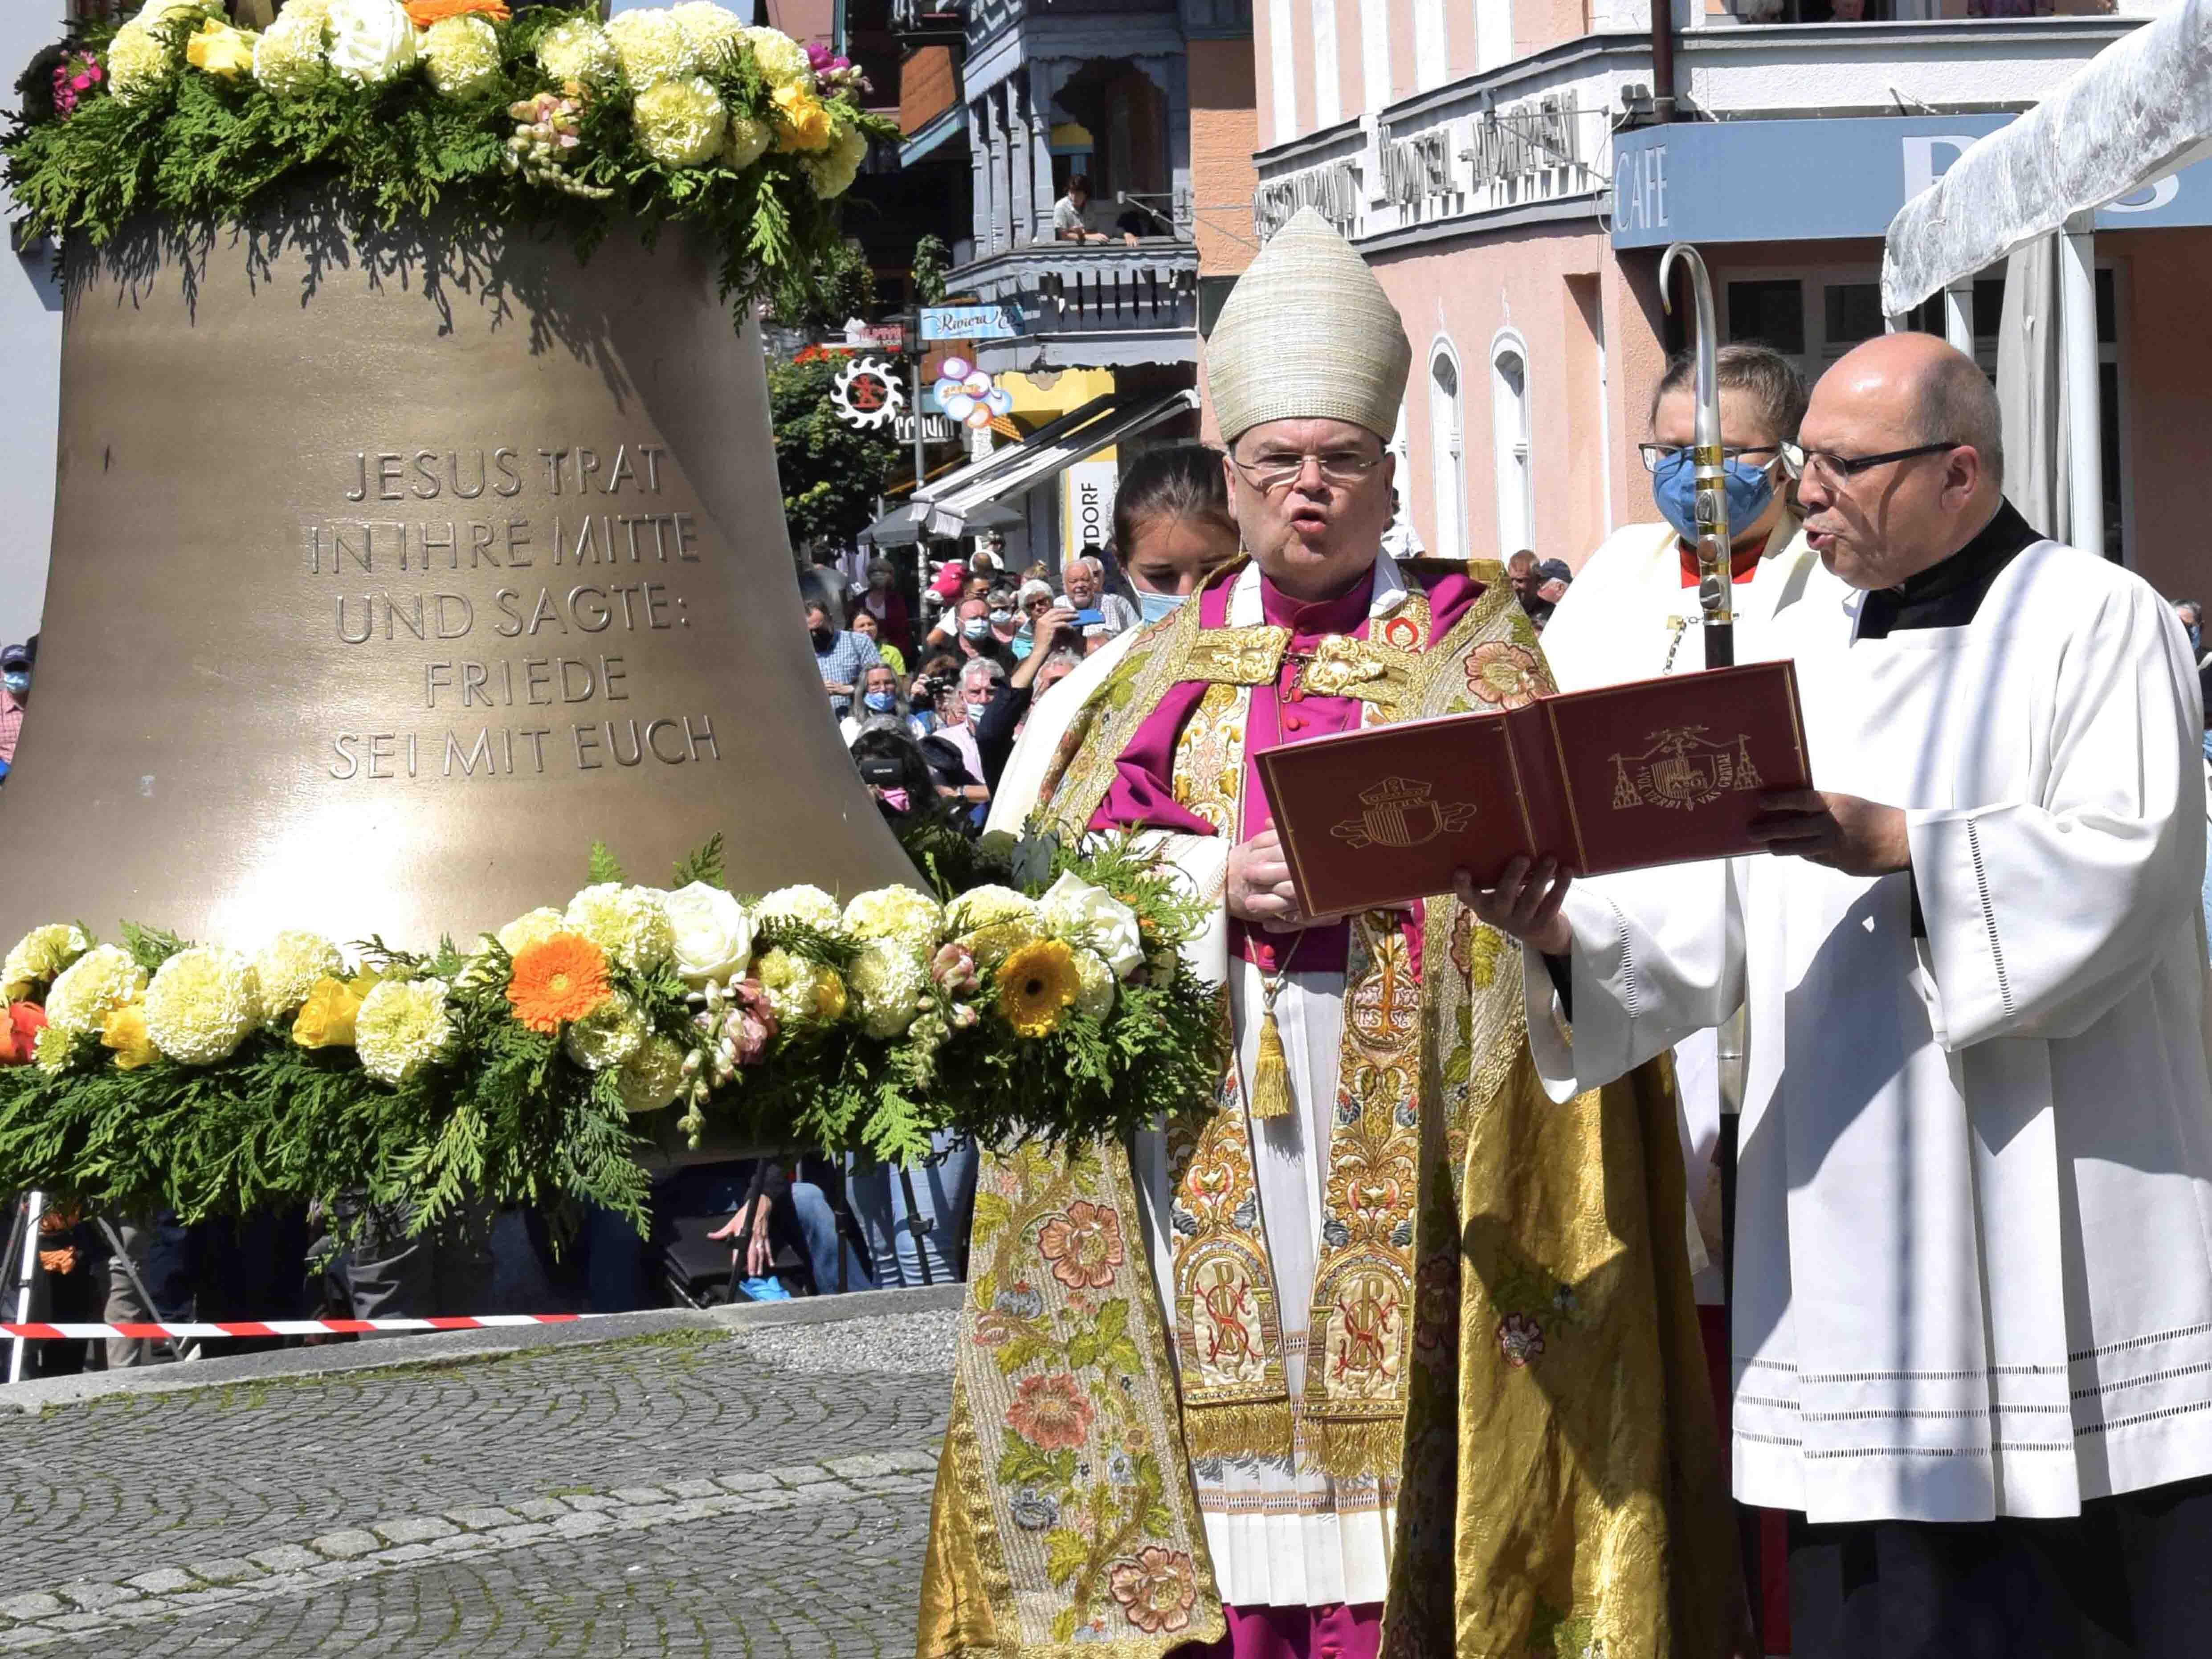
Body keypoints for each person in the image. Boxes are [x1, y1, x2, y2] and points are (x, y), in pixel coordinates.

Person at [919, 209, 1734, 1659]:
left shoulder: (1481, 658)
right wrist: (1195, 900)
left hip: (1418, 1146)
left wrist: (1548, 926)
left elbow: (1626, 912)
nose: (1308, 491)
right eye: (1276, 462)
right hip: (1201, 1123)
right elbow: (1010, 922)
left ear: (1385, 472)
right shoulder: (1121, 688)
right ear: (1227, 474)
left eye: (1338, 461)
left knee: (1403, 1486)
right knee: (1221, 1489)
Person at [1469, 333, 2212, 1659]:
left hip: (2061, 1197)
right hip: (1838, 1202)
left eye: (1840, 464)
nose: (1803, 489)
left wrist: (1908, 843)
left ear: (1958, 469)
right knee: (1877, 1601)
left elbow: (2132, 864)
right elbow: (1705, 906)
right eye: (1802, 457)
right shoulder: (1777, 641)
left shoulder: (2098, 616)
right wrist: (1563, 922)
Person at [983, 443, 1242, 836]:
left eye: (1215, 569)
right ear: (1121, 563)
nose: (1191, 594)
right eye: (1162, 575)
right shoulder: (1074, 698)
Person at [807, 599, 881, 722]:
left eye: (820, 629)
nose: (815, 635)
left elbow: (880, 683)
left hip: (857, 721)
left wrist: (851, 690)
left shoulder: (859, 642)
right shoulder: (800, 651)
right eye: (810, 632)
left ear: (830, 620)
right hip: (816, 723)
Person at [1058, 553, 1139, 638]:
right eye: (1074, 581)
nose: (1080, 585)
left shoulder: (1108, 603)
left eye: (1085, 580)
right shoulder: (1058, 605)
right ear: (1064, 586)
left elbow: (1116, 637)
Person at [1052, 172, 1139, 248]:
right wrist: (1089, 236)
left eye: (1078, 194)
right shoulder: (1061, 207)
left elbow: (1110, 229)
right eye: (1071, 193)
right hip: (1069, 252)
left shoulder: (1092, 206)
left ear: (1086, 194)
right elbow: (1064, 236)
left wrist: (1127, 235)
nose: (1074, 198)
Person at [853, 557, 912, 655]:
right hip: (863, 649)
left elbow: (902, 629)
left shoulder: (896, 600)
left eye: (883, 572)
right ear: (869, 576)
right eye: (874, 572)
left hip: (893, 650)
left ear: (890, 576)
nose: (878, 575)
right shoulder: (860, 600)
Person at [838, 662, 906, 744]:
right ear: (864, 689)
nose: (883, 689)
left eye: (888, 683)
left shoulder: (911, 722)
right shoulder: (850, 726)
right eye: (875, 684)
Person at [848, 604, 906, 679]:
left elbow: (900, 682)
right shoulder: (847, 653)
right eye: (862, 626)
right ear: (851, 631)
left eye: (871, 624)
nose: (867, 629)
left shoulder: (892, 652)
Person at [0, 638, 32, 770]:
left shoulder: (46, 704)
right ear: (2, 673)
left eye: (21, 668)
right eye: (11, 668)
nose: (16, 673)